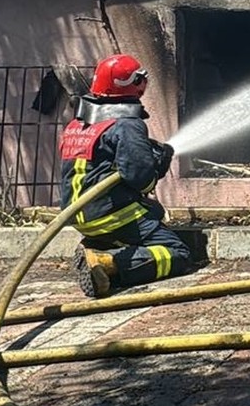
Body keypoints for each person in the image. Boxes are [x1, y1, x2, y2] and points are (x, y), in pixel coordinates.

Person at [59, 54, 193, 298]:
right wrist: (158, 164)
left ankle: (95, 247)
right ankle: (108, 263)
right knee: (177, 253)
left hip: (78, 216)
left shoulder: (77, 124)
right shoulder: (127, 123)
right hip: (111, 216)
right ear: (132, 83)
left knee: (152, 211)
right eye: (140, 78)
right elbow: (140, 179)